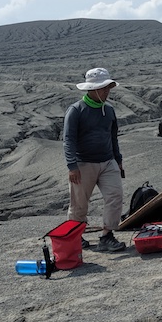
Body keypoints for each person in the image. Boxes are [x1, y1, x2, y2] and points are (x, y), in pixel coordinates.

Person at [63, 68, 127, 252]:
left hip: (108, 162)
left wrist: (118, 159)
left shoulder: (109, 110)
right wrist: (72, 166)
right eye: (103, 88)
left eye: (108, 88)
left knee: (115, 196)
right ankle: (76, 235)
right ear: (91, 89)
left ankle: (107, 236)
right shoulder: (76, 110)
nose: (107, 92)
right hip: (83, 164)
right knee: (79, 203)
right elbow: (68, 140)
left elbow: (113, 137)